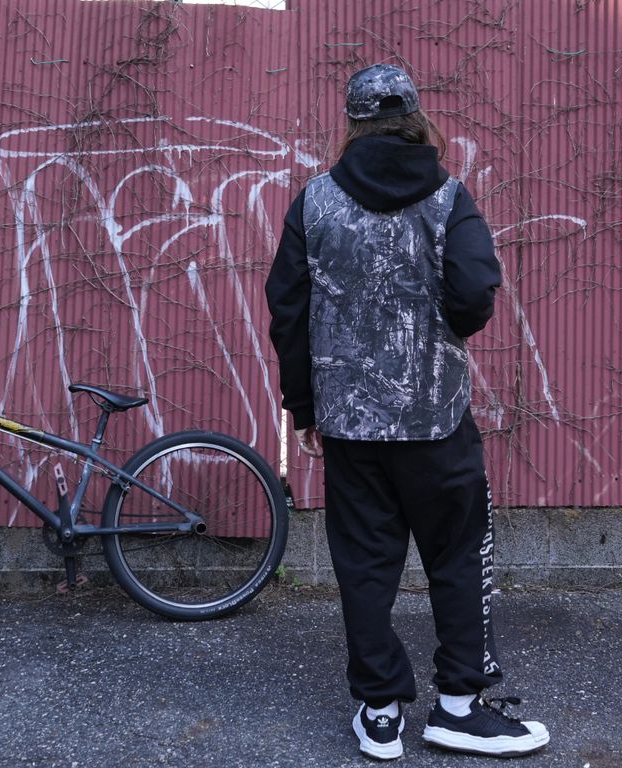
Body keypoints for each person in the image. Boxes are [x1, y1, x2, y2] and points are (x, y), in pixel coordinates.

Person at [265, 63, 550, 760]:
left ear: (353, 123)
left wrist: (304, 405)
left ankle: (380, 714)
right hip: (437, 421)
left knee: (365, 566)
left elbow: (287, 308)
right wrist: (441, 324)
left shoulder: (314, 201)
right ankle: (458, 708)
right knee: (457, 557)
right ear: (416, 119)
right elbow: (475, 292)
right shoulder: (450, 197)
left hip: (350, 425)